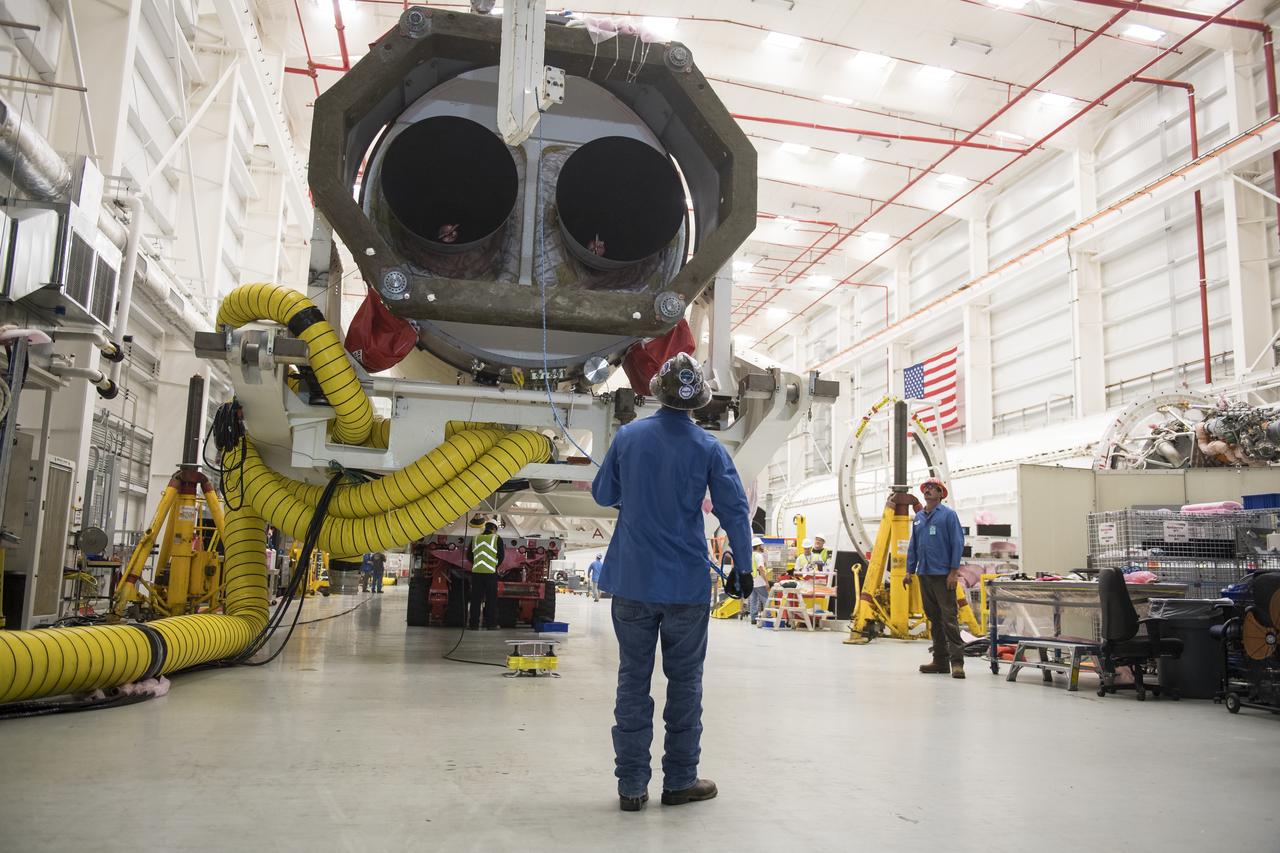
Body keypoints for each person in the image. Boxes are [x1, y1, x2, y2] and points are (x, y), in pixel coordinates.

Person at [592, 352, 752, 813]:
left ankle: (631, 787)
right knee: (685, 684)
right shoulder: (708, 448)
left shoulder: (628, 437)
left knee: (632, 681)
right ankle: (680, 780)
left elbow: (604, 494)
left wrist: (633, 484)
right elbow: (735, 511)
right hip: (685, 587)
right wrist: (744, 569)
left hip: (633, 582)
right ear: (699, 401)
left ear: (656, 390)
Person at [904, 478, 966, 679]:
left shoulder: (948, 515)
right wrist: (909, 571)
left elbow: (957, 543)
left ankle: (957, 663)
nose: (928, 490)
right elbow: (913, 546)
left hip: (943, 575)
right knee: (934, 619)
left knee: (949, 619)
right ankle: (940, 661)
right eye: (926, 488)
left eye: (933, 488)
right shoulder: (919, 518)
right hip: (924, 574)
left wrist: (953, 572)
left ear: (941, 494)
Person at [466, 522, 505, 630]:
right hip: (491, 573)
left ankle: (473, 624)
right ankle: (491, 624)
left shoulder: (475, 538)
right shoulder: (497, 538)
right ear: (494, 528)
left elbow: (469, 555)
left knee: (475, 599)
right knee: (491, 599)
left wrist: (477, 563)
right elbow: (501, 556)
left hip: (477, 573)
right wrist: (494, 565)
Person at [748, 537, 769, 625]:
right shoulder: (758, 555)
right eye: (761, 545)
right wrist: (766, 582)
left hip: (751, 581)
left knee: (753, 600)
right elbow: (761, 568)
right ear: (758, 546)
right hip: (759, 581)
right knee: (765, 599)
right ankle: (767, 617)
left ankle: (753, 618)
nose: (762, 546)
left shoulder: (750, 555)